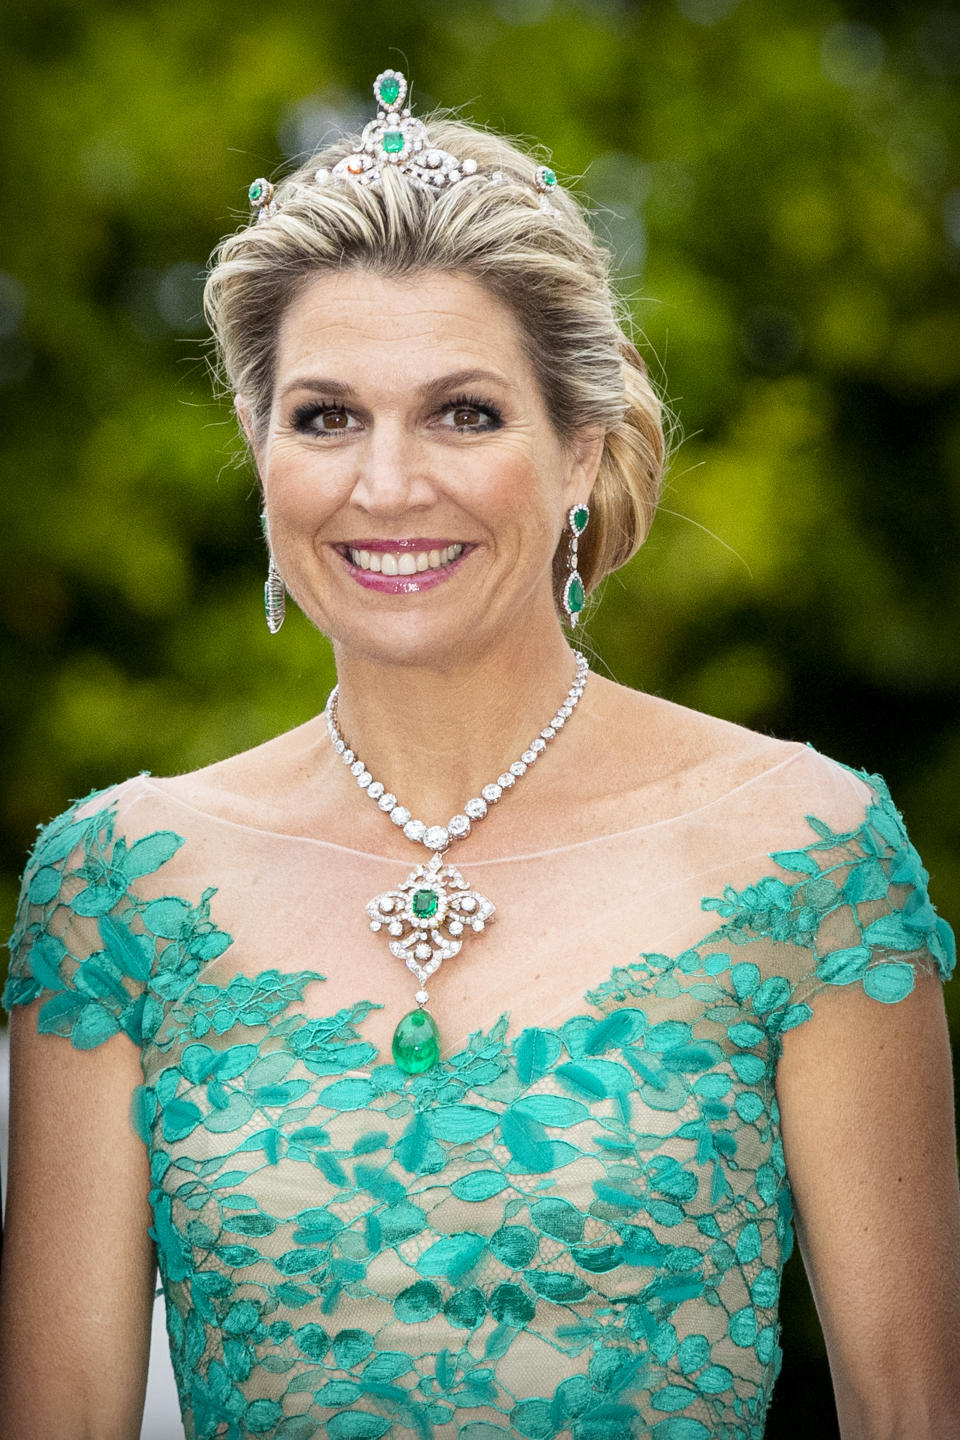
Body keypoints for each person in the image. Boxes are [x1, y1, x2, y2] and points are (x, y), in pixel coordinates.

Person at [0, 67, 957, 1440]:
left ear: (580, 453)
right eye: (326, 416)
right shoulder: (115, 887)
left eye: (464, 412)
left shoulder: (805, 855)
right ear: (261, 455)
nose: (387, 485)